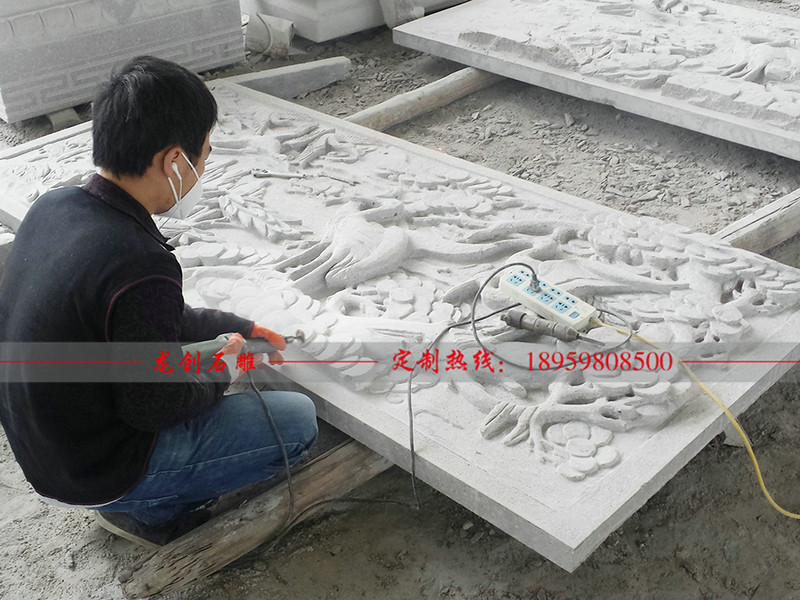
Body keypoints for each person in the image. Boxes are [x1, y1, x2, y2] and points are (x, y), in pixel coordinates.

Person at [0, 56, 318, 546]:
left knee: (197, 355)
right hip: (95, 470)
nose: (202, 171)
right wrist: (223, 371)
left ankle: (133, 495)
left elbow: (153, 318)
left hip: (46, 448)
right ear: (173, 161)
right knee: (296, 421)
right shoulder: (138, 262)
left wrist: (241, 327)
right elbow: (153, 405)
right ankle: (150, 507)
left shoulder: (54, 206)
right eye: (202, 157)